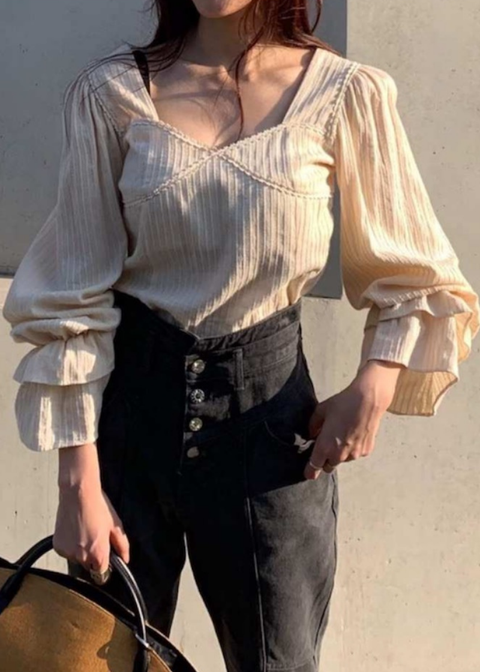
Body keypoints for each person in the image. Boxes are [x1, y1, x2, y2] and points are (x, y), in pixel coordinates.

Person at [3, 1, 479, 670]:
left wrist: (375, 383)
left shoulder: (345, 94)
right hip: (129, 428)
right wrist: (77, 482)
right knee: (101, 660)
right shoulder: (110, 94)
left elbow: (416, 272)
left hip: (271, 433)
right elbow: (72, 292)